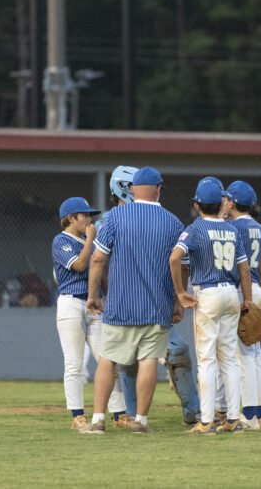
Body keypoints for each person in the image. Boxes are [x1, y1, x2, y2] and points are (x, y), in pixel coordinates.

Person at [82, 166, 184, 435]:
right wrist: (177, 300)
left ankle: (97, 420)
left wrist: (93, 295)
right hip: (156, 307)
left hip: (120, 306)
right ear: (158, 189)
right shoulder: (173, 222)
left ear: (131, 190)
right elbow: (181, 265)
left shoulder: (115, 217)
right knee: (149, 361)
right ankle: (140, 420)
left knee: (107, 360)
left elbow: (98, 259)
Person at [107, 165, 201, 426]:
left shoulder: (161, 219)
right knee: (125, 361)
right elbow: (99, 262)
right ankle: (131, 413)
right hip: (123, 304)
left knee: (177, 350)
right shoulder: (112, 219)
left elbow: (181, 262)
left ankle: (192, 410)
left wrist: (176, 297)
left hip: (155, 303)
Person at [171, 178, 254, 435]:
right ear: (221, 204)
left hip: (207, 293)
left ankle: (206, 420)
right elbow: (244, 268)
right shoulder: (232, 229)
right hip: (231, 293)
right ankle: (232, 418)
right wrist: (248, 300)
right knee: (229, 358)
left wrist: (180, 292)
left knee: (207, 359)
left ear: (197, 204)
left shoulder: (195, 228)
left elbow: (175, 257)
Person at [52, 197, 127, 431]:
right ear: (71, 218)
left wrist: (105, 295)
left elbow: (100, 269)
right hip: (71, 304)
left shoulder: (88, 240)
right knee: (74, 364)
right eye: (84, 215)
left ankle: (119, 414)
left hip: (92, 305)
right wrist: (91, 240)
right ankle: (77, 416)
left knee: (108, 360)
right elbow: (80, 265)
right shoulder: (61, 240)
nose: (89, 218)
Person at [222, 180, 261, 430]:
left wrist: (248, 299)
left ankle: (250, 415)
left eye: (226, 199)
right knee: (256, 356)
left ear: (232, 202)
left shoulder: (232, 228)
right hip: (258, 290)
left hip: (242, 291)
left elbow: (235, 265)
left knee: (242, 356)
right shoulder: (259, 227)